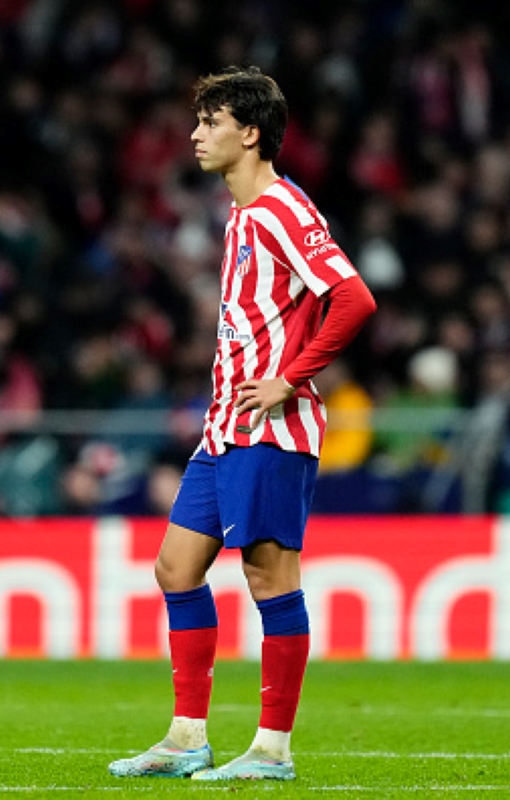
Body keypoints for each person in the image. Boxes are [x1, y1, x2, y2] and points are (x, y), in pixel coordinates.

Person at [107, 67, 376, 782]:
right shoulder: (240, 214)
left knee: (268, 576)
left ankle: (272, 750)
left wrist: (291, 379)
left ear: (249, 132)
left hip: (274, 427)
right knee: (175, 567)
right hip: (225, 426)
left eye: (210, 122)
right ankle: (187, 737)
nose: (195, 135)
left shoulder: (285, 209)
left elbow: (353, 298)